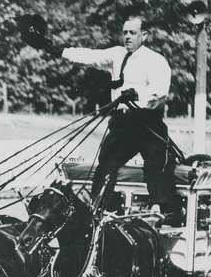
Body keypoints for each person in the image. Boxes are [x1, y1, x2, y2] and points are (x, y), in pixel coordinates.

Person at [20, 14, 183, 224]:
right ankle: (97, 209)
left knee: (157, 161)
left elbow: (160, 92)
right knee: (106, 162)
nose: (127, 36)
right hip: (122, 124)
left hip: (147, 123)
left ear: (144, 35)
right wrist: (55, 49)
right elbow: (89, 56)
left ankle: (160, 209)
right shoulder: (117, 54)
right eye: (124, 32)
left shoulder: (156, 60)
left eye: (132, 33)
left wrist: (137, 94)